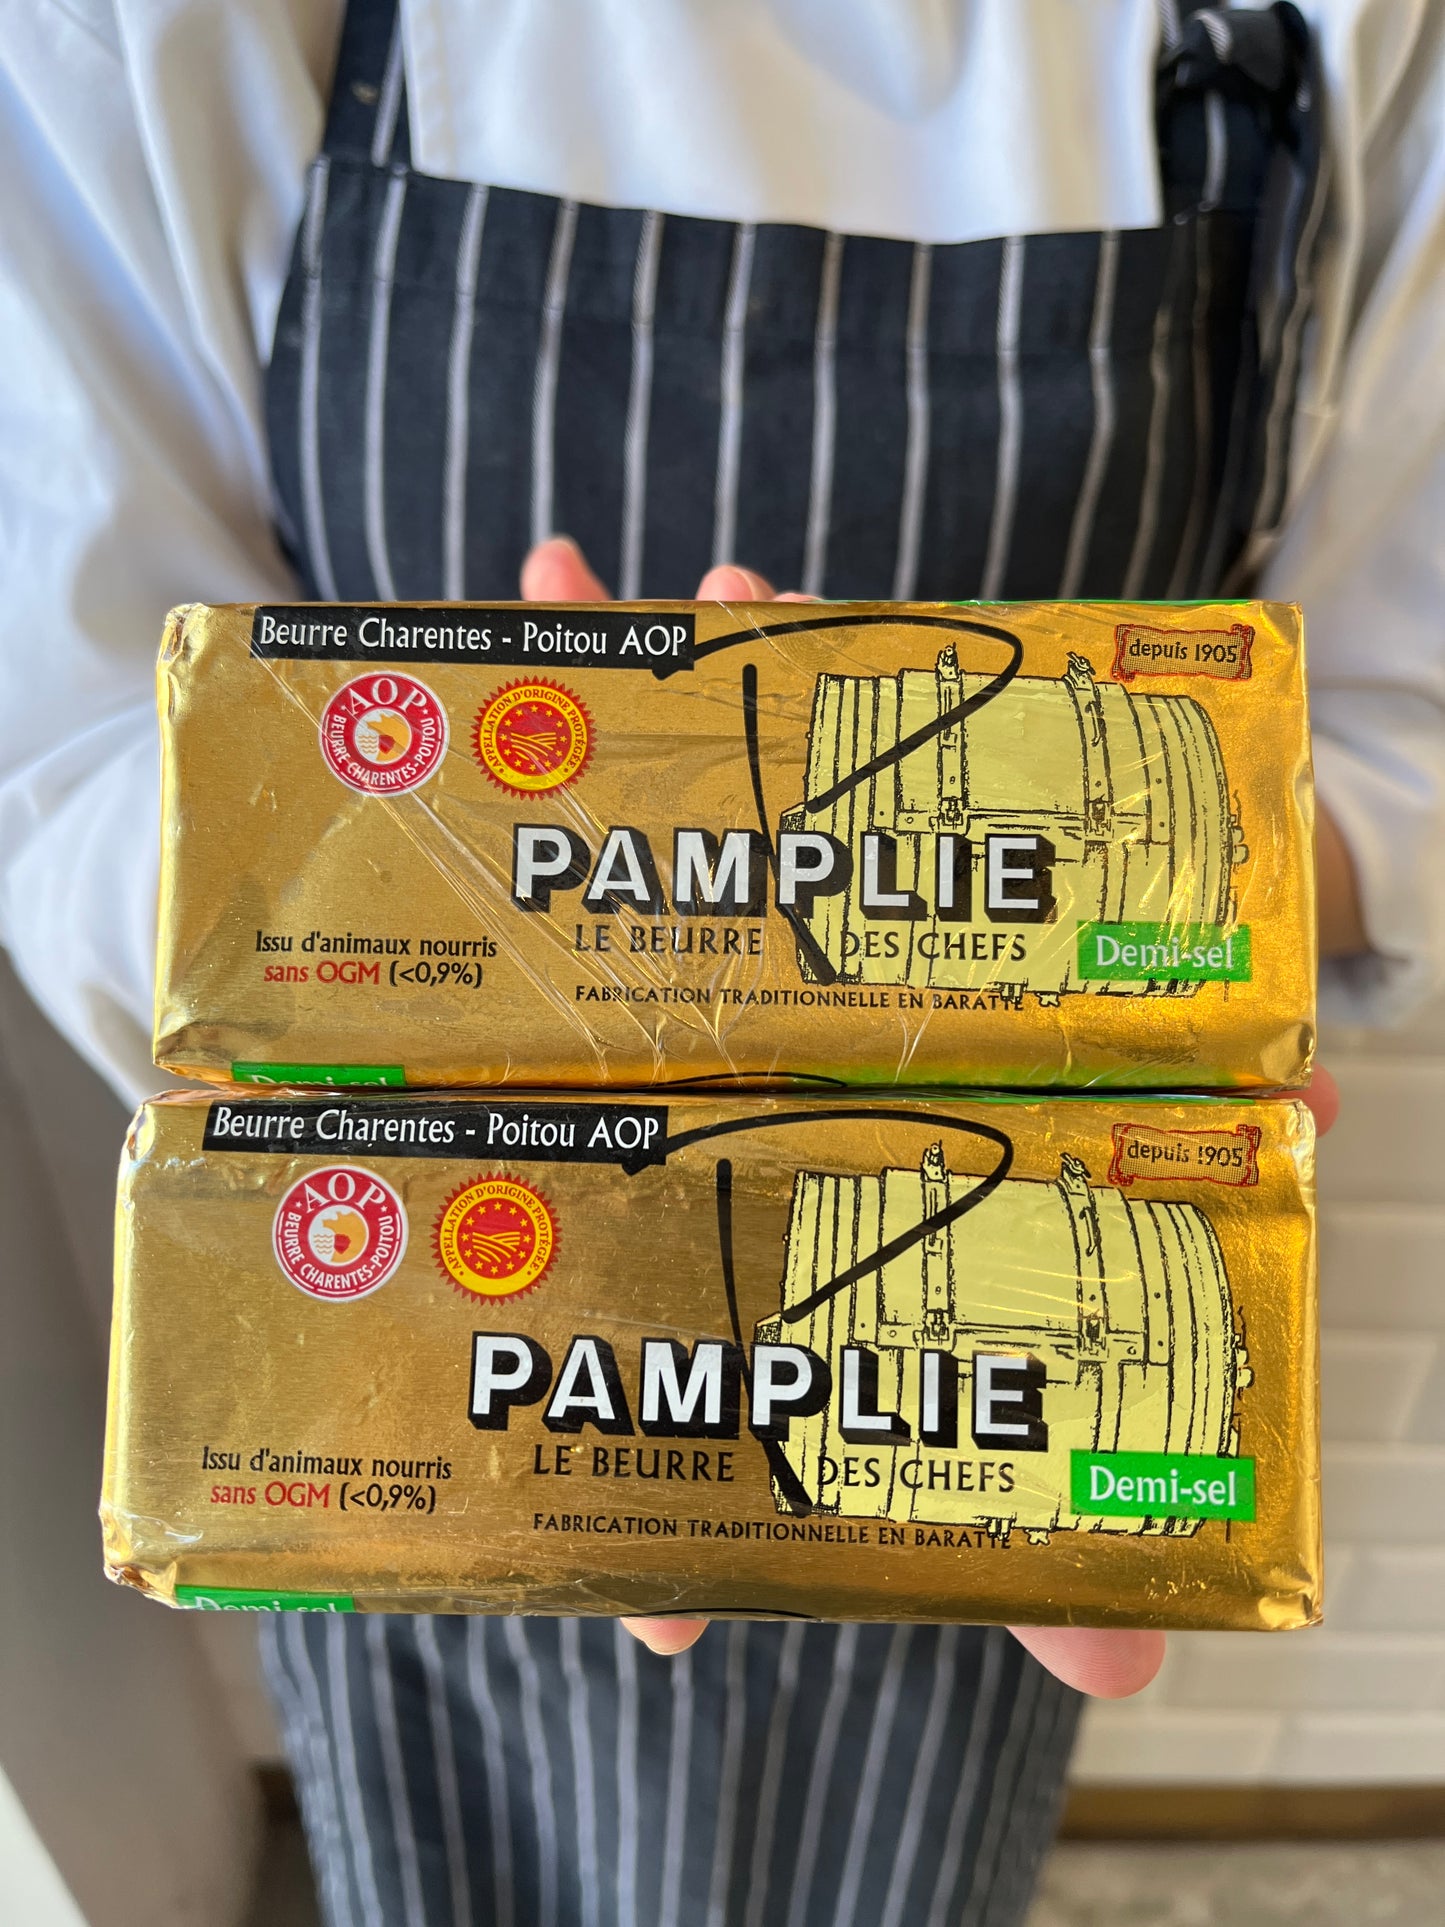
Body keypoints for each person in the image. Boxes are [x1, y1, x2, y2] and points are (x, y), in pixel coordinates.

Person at [1, 2, 1439, 1922]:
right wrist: (478, 964)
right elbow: (84, 733)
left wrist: (1037, 936)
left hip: (994, 1338)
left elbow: (1392, 733)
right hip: (424, 1324)